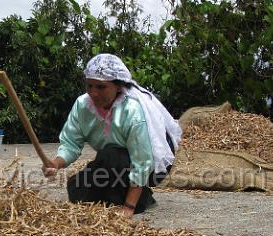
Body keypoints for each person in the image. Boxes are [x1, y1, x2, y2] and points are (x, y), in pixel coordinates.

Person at [42, 53, 182, 218]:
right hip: (113, 161)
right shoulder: (82, 106)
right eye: (90, 86)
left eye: (101, 87)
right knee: (77, 189)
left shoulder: (131, 111)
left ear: (118, 87)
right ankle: (125, 193)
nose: (93, 93)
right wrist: (56, 163)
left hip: (150, 165)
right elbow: (71, 143)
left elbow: (142, 162)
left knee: (110, 156)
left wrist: (129, 207)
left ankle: (141, 197)